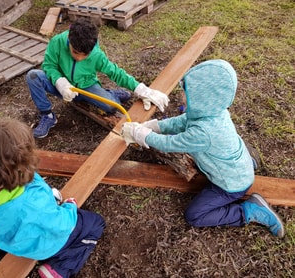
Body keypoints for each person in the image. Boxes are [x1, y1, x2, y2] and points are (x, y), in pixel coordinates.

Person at [121, 59, 285, 238]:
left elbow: (170, 144)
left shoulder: (203, 132)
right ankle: (248, 162)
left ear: (202, 98)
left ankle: (250, 211)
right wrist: (156, 126)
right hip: (236, 168)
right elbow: (182, 121)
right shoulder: (214, 111)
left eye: (187, 92)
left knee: (195, 215)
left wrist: (143, 135)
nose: (182, 95)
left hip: (230, 185)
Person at [0, 118, 106, 278]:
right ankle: (59, 268)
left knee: (9, 224)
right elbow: (60, 225)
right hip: (45, 245)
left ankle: (0, 242)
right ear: (22, 165)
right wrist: (70, 208)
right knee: (95, 223)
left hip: (10, 236)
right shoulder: (32, 200)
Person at [26, 17, 169, 138]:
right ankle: (47, 116)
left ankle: (110, 93)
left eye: (85, 55)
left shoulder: (96, 54)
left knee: (111, 107)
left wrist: (141, 89)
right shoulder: (57, 42)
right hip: (61, 85)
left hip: (86, 86)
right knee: (33, 76)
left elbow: (115, 72)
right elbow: (49, 65)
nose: (80, 58)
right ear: (69, 38)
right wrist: (60, 82)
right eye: (75, 52)